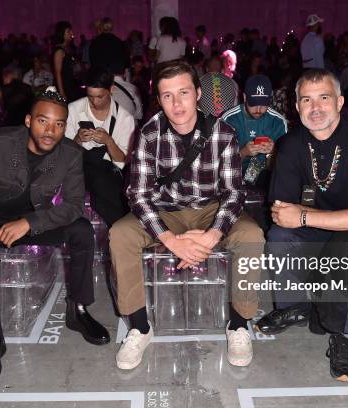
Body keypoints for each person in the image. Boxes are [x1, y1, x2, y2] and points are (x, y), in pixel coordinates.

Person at [0, 88, 110, 384]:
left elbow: (72, 206)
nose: (51, 131)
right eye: (44, 121)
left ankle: (78, 309)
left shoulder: (70, 155)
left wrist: (30, 222)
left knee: (82, 230)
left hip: (34, 218)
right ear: (29, 120)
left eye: (59, 124)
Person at [110, 60, 264, 370]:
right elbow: (138, 195)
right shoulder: (148, 134)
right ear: (159, 99)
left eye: (183, 92)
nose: (176, 103)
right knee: (120, 233)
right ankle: (140, 326)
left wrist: (211, 236)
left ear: (197, 94)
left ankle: (238, 324)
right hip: (166, 211)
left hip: (211, 210)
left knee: (252, 235)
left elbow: (234, 193)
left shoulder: (223, 132)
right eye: (167, 95)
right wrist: (171, 241)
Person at [256, 69, 348, 383]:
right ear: (296, 106)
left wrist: (305, 215)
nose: (315, 107)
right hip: (325, 227)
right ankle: (295, 306)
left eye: (324, 98)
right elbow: (281, 213)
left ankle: (346, 336)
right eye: (307, 100)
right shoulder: (290, 145)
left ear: (340, 102)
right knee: (278, 235)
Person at [65, 68, 134, 227]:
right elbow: (64, 155)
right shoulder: (73, 110)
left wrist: (109, 141)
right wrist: (77, 139)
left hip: (108, 172)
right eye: (90, 96)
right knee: (100, 182)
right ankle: (122, 227)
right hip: (78, 168)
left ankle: (121, 228)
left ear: (111, 90)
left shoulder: (124, 118)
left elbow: (121, 162)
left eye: (100, 97)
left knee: (104, 183)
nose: (95, 102)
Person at [222, 75, 287, 188]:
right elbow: (218, 163)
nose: (258, 110)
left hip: (266, 180)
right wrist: (243, 152)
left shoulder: (277, 121)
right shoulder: (229, 119)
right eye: (254, 103)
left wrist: (273, 152)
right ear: (245, 97)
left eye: (263, 104)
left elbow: (287, 166)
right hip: (233, 179)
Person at [52, 21, 81, 102]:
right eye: (68, 31)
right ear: (62, 34)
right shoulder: (59, 51)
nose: (71, 33)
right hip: (64, 86)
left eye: (71, 30)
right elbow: (58, 73)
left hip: (71, 84)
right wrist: (61, 92)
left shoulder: (67, 48)